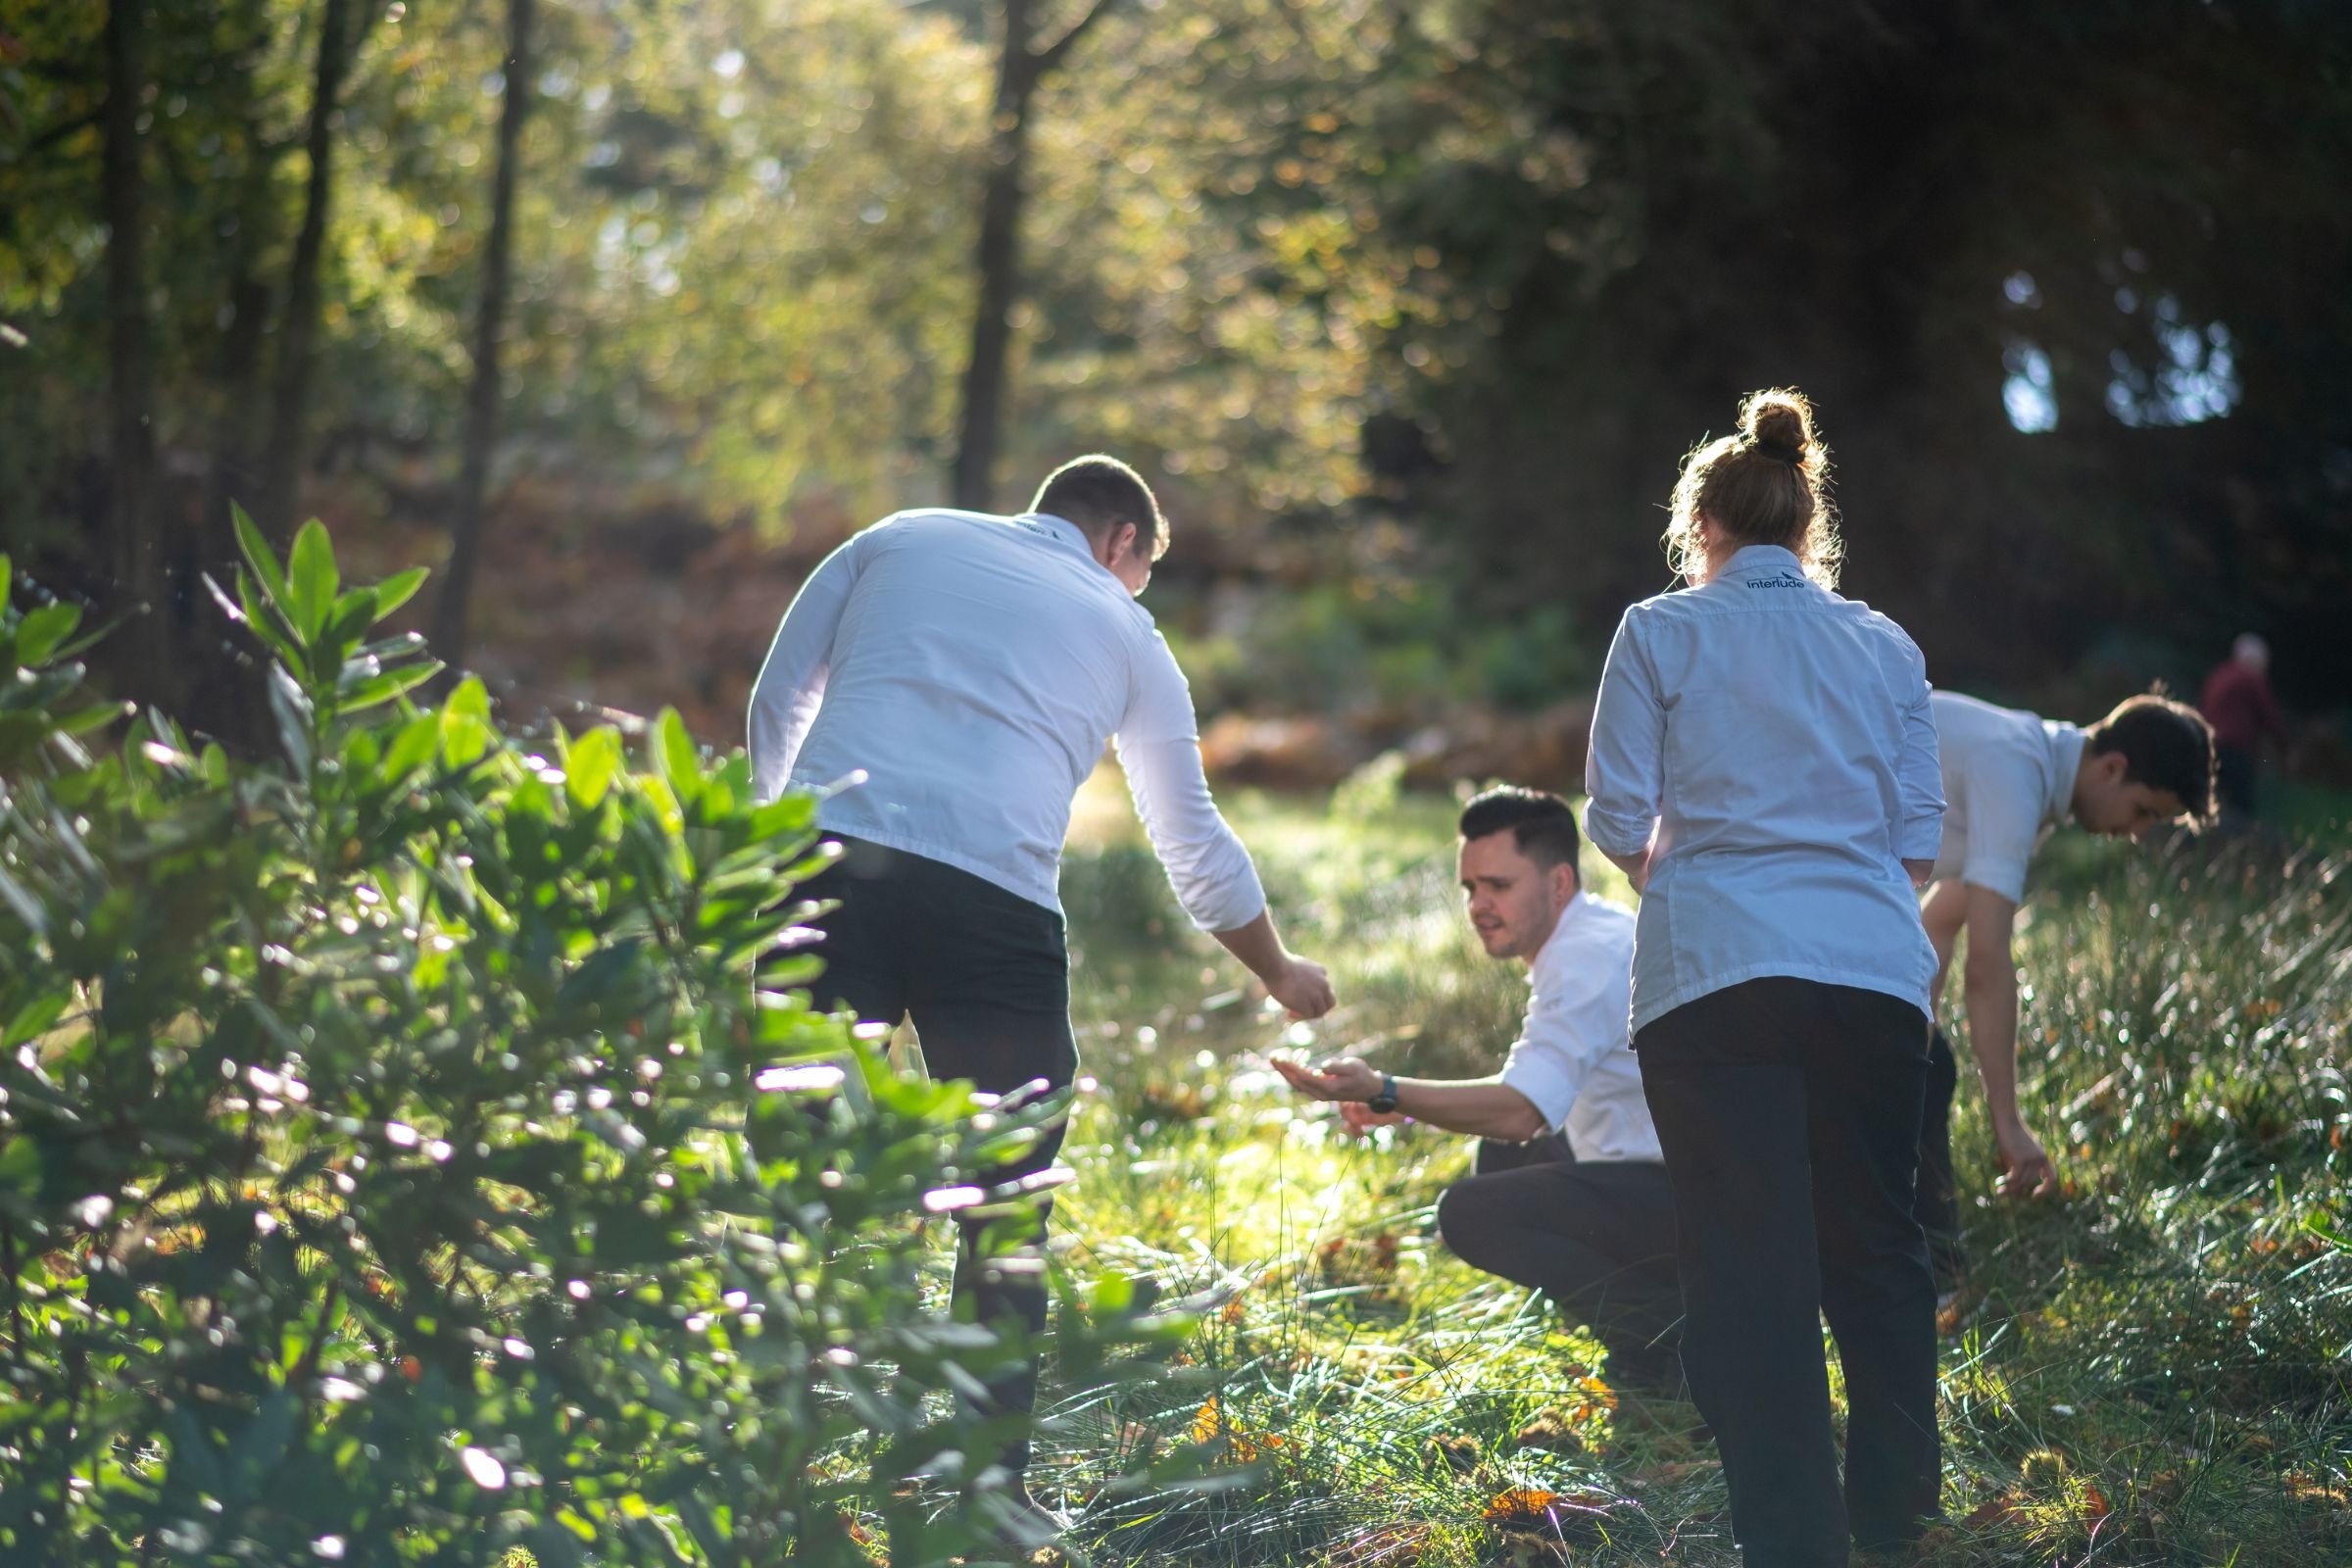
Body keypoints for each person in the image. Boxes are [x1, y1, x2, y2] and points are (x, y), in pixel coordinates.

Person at [747, 454, 1335, 1529]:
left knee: (800, 1161)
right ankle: (985, 1493)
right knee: (1004, 1197)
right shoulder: (1126, 628)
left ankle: (766, 1459)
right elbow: (1186, 830)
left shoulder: (898, 533)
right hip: (992, 906)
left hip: (827, 867)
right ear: (1124, 544)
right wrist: (1277, 968)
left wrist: (771, 844)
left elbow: (782, 691)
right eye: (1144, 570)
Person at [1583, 388, 1945, 1567]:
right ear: (1808, 523)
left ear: (1700, 527)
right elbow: (1916, 846)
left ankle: (1793, 1542)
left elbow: (1618, 816)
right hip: (1874, 974)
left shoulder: (1660, 629)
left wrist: (1687, 880)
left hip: (1717, 973)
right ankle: (1896, 1513)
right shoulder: (1886, 644)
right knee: (1876, 1242)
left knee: (1750, 1263)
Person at [1271, 786, 1680, 1391]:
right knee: (1501, 1156)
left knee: (1469, 1212)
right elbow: (1529, 1103)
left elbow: (1520, 1109)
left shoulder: (1586, 958)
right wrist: (1401, 1104)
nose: (1479, 906)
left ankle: (1669, 1340)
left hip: (1688, 1200)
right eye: (1471, 889)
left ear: (1559, 883)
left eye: (1499, 886)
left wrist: (1388, 1088)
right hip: (1659, 1174)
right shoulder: (1594, 932)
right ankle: (1649, 1333)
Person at [1917, 690, 2216, 1293]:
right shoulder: (2018, 770)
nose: (2135, 833)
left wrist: (1915, 1022)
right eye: (2144, 812)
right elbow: (1988, 964)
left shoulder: (2033, 773)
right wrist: (2008, 1122)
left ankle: (1927, 1275)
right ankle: (1930, 1283)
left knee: (1919, 1063)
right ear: (2113, 768)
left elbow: (1943, 919)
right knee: (1925, 1070)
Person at [2200, 633, 2288, 823]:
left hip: (2210, 746)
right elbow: (2270, 716)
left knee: (2210, 800)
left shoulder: (2218, 675)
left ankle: (2203, 844)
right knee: (2242, 807)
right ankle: (2242, 846)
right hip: (2236, 749)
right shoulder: (2251, 678)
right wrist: (2285, 744)